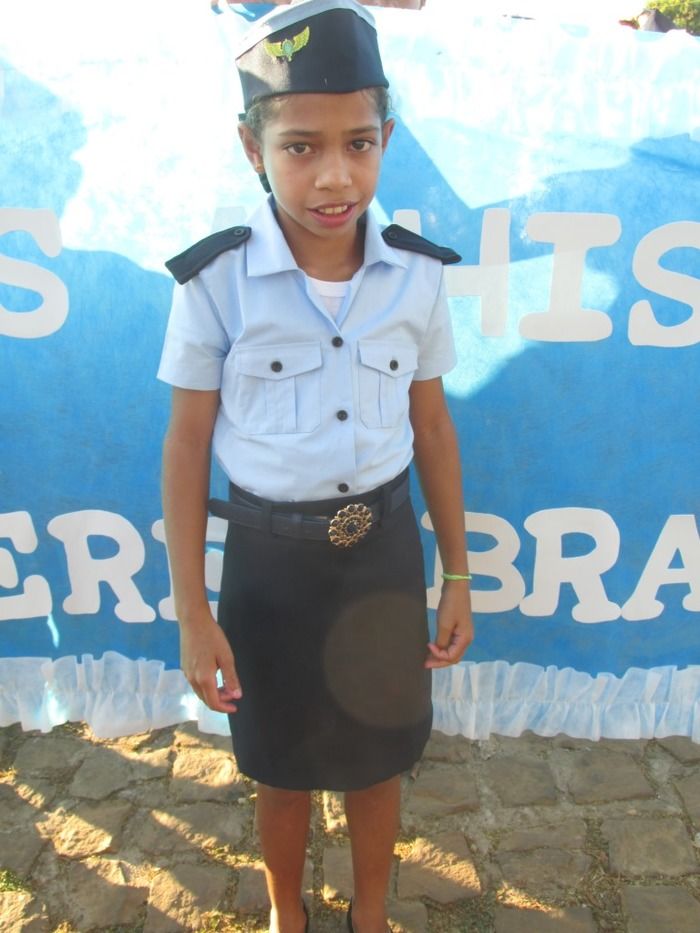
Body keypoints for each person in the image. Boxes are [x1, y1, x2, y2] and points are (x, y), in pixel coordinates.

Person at [158, 2, 473, 931]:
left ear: (387, 137)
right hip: (268, 570)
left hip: (378, 556)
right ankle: (284, 913)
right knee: (280, 765)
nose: (336, 175)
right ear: (252, 146)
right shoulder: (214, 282)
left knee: (378, 763)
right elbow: (184, 445)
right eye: (301, 146)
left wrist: (456, 572)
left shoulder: (417, 275)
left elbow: (434, 428)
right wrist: (193, 611)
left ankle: (370, 914)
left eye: (360, 142)